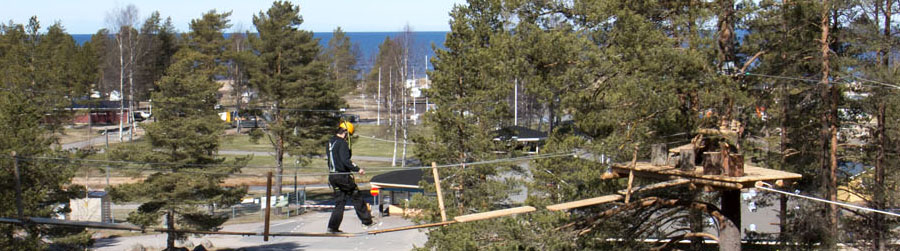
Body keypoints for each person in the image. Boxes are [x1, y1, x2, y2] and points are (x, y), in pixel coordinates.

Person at [326, 121, 373, 233]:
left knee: (340, 203)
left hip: (333, 176)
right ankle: (367, 221)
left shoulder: (330, 142)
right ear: (345, 133)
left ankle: (332, 227)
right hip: (342, 176)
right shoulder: (342, 143)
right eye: (349, 135)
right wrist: (358, 169)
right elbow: (345, 161)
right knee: (356, 195)